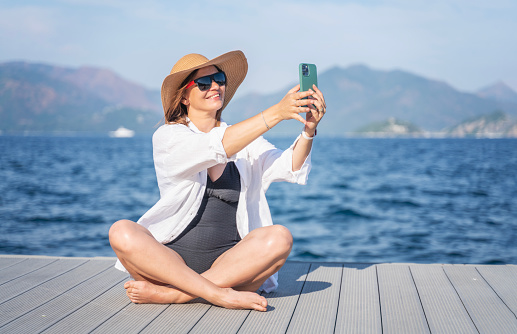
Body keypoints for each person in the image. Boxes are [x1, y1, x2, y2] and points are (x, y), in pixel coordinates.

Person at [109, 50, 326, 312]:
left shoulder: (244, 139)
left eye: (220, 79)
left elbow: (289, 167)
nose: (215, 86)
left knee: (280, 237)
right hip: (170, 263)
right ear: (185, 96)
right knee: (121, 231)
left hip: (231, 267)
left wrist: (309, 129)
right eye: (204, 83)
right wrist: (277, 112)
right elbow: (216, 147)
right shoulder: (168, 137)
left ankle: (177, 295)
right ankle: (218, 294)